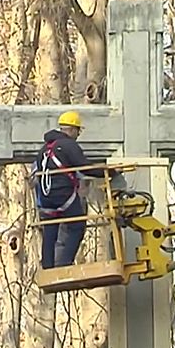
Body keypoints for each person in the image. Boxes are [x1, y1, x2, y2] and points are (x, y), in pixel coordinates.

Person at [30, 110, 122, 270]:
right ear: (71, 129)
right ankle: (65, 264)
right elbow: (85, 167)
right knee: (77, 225)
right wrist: (109, 172)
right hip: (63, 196)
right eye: (78, 130)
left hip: (45, 198)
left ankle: (48, 268)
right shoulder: (69, 146)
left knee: (50, 230)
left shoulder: (43, 150)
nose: (78, 134)